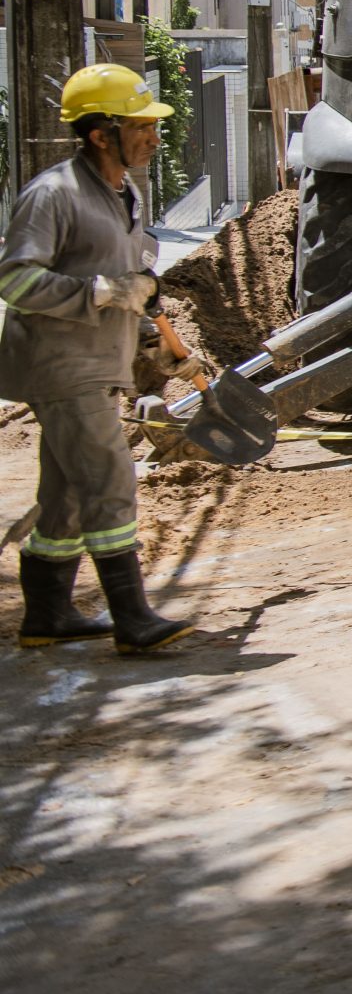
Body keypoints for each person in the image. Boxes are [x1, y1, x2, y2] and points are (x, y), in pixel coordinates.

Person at [2, 64, 190, 652]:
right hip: (61, 365)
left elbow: (136, 282)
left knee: (65, 494)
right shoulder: (53, 196)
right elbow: (13, 279)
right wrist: (98, 294)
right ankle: (133, 619)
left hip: (96, 360)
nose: (154, 139)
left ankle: (48, 615)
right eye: (141, 127)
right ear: (100, 134)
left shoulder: (122, 193)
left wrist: (155, 343)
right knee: (110, 479)